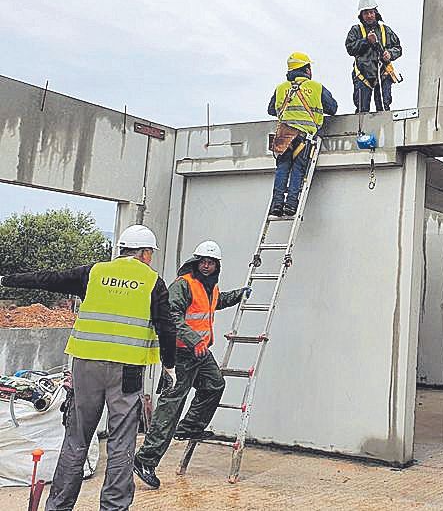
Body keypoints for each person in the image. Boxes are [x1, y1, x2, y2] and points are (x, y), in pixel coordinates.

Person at [0, 225, 176, 511]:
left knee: (76, 437)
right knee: (121, 442)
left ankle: (58, 506)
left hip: (85, 365)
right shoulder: (152, 281)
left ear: (120, 250)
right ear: (146, 253)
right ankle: (114, 507)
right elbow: (166, 328)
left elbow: (48, 279)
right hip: (127, 370)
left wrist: (7, 278)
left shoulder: (94, 272)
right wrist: (169, 367)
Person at [133, 240, 249, 489]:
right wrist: (193, 339)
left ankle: (189, 428)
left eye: (211, 263)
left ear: (216, 266)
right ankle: (145, 460)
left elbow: (215, 303)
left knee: (215, 385)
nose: (206, 266)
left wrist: (240, 294)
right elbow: (172, 315)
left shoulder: (209, 287)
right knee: (170, 408)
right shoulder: (183, 285)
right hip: (181, 353)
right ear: (196, 263)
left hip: (200, 353)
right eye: (203, 262)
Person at [266, 51, 338, 217]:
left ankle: (277, 204)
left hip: (283, 137)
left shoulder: (281, 88)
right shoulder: (316, 87)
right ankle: (291, 205)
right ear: (306, 69)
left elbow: (271, 110)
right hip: (303, 137)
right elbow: (333, 108)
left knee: (282, 169)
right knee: (298, 170)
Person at [345, 0, 402, 113]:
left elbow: (398, 48)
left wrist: (390, 54)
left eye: (371, 12)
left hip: (383, 73)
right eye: (366, 13)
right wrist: (366, 41)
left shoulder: (385, 30)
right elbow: (350, 48)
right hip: (362, 74)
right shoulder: (356, 30)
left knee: (384, 109)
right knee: (362, 110)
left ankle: (384, 130)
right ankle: (362, 131)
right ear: (361, 15)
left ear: (375, 13)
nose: (369, 15)